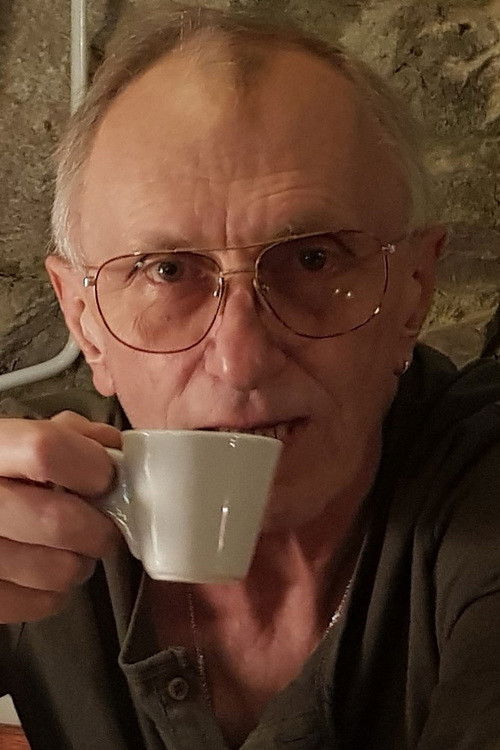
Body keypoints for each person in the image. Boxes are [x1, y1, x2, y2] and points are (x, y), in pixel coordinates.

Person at [0, 6, 499, 749]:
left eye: (313, 260)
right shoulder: (30, 507)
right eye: (167, 272)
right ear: (84, 322)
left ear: (414, 292)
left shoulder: (479, 490)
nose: (240, 360)